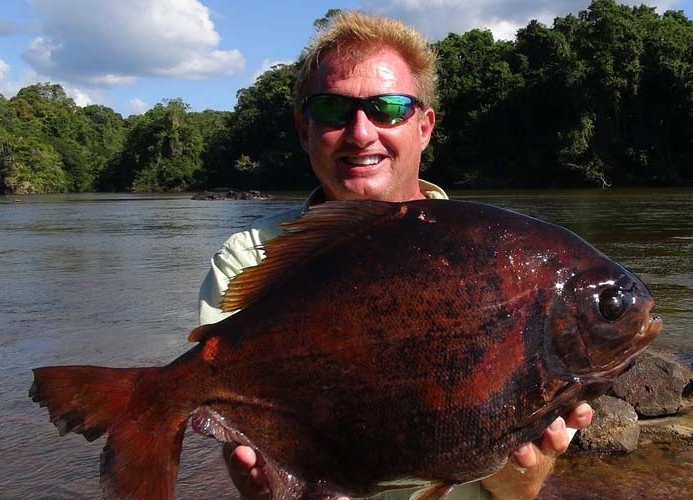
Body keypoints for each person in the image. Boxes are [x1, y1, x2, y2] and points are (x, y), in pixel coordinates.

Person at [198, 11, 593, 500]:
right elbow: (237, 427)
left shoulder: (498, 259)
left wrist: (522, 471)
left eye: (388, 108)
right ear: (304, 129)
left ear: (424, 127)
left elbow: (518, 492)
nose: (361, 132)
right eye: (333, 109)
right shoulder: (248, 259)